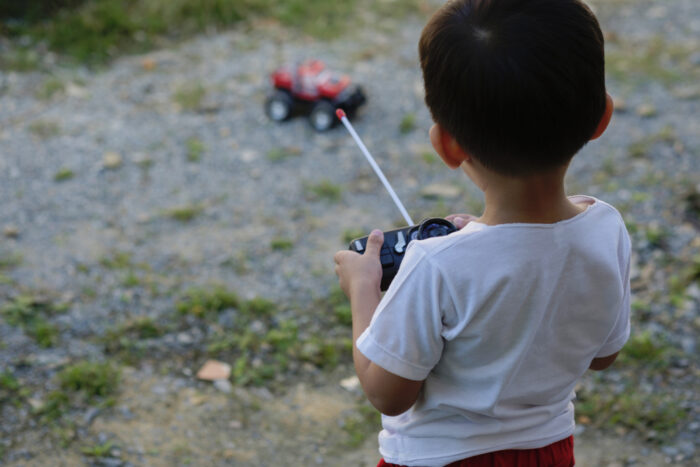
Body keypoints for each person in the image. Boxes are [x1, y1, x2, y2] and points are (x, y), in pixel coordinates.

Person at [333, 0, 630, 466]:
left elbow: (387, 392)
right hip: (548, 453)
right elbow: (603, 355)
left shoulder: (436, 264)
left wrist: (363, 289)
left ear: (447, 146)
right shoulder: (607, 229)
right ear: (602, 118)